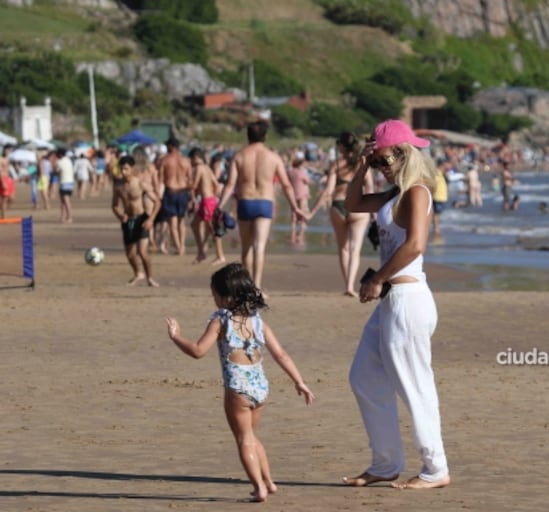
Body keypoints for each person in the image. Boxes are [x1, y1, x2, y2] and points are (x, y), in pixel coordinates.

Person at [342, 119, 450, 490]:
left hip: (407, 299)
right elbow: (351, 203)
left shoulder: (417, 191)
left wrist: (377, 278)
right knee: (364, 378)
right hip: (392, 302)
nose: (381, 168)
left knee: (415, 385)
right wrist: (361, 166)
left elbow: (415, 245)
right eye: (377, 163)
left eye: (384, 161)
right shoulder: (392, 194)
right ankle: (386, 463)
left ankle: (436, 469)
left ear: (404, 155)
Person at [165, 263, 314, 502]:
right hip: (261, 386)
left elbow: (197, 351)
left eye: (214, 294)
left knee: (244, 439)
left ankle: (259, 488)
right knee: (252, 436)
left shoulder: (220, 320)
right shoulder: (257, 321)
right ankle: (269, 481)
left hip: (238, 388)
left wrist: (175, 336)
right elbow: (281, 354)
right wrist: (299, 382)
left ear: (225, 297)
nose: (213, 299)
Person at [218, 120, 305, 291]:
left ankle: (246, 286)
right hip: (265, 202)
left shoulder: (239, 156)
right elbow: (286, 185)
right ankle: (257, 287)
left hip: (245, 201)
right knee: (260, 247)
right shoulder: (273, 157)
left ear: (248, 135)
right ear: (265, 136)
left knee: (246, 247)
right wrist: (295, 207)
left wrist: (220, 206)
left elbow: (230, 184)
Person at [307, 131, 373, 297]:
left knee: (343, 248)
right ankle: (351, 285)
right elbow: (370, 188)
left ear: (342, 146)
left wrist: (311, 212)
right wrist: (374, 212)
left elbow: (328, 191)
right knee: (355, 249)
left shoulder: (336, 164)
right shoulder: (363, 163)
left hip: (339, 205)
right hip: (358, 207)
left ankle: (348, 285)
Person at [112, 155, 161, 287]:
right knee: (129, 253)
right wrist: (120, 215)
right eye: (121, 169)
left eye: (126, 169)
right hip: (128, 221)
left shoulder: (140, 183)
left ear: (132, 169)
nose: (123, 172)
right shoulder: (118, 186)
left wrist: (151, 219)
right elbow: (115, 205)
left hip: (141, 219)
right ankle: (138, 273)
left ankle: (150, 278)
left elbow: (157, 202)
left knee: (142, 252)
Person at [189, 147, 226, 265]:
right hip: (209, 200)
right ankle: (201, 252)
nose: (190, 162)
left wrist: (185, 186)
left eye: (191, 159)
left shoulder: (199, 168)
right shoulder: (207, 168)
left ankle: (220, 256)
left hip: (207, 201)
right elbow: (215, 183)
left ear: (195, 158)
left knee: (212, 228)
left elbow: (194, 185)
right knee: (194, 224)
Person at [158, 137, 193, 255]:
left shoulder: (165, 160)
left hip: (170, 191)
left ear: (171, 146)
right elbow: (191, 181)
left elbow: (160, 180)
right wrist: (192, 197)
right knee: (181, 221)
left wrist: (159, 197)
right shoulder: (186, 161)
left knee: (172, 222)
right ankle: (182, 245)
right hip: (183, 192)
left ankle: (178, 247)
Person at [288, 150, 311, 245]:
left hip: (293, 194)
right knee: (302, 211)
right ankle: (302, 230)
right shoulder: (301, 173)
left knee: (294, 212)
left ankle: (293, 230)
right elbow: (308, 181)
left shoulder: (290, 172)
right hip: (302, 194)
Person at [56, 148, 75, 223]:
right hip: (70, 182)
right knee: (63, 202)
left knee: (66, 202)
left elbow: (57, 172)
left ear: (60, 155)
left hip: (64, 183)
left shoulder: (60, 162)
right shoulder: (69, 160)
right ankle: (62, 217)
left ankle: (69, 217)